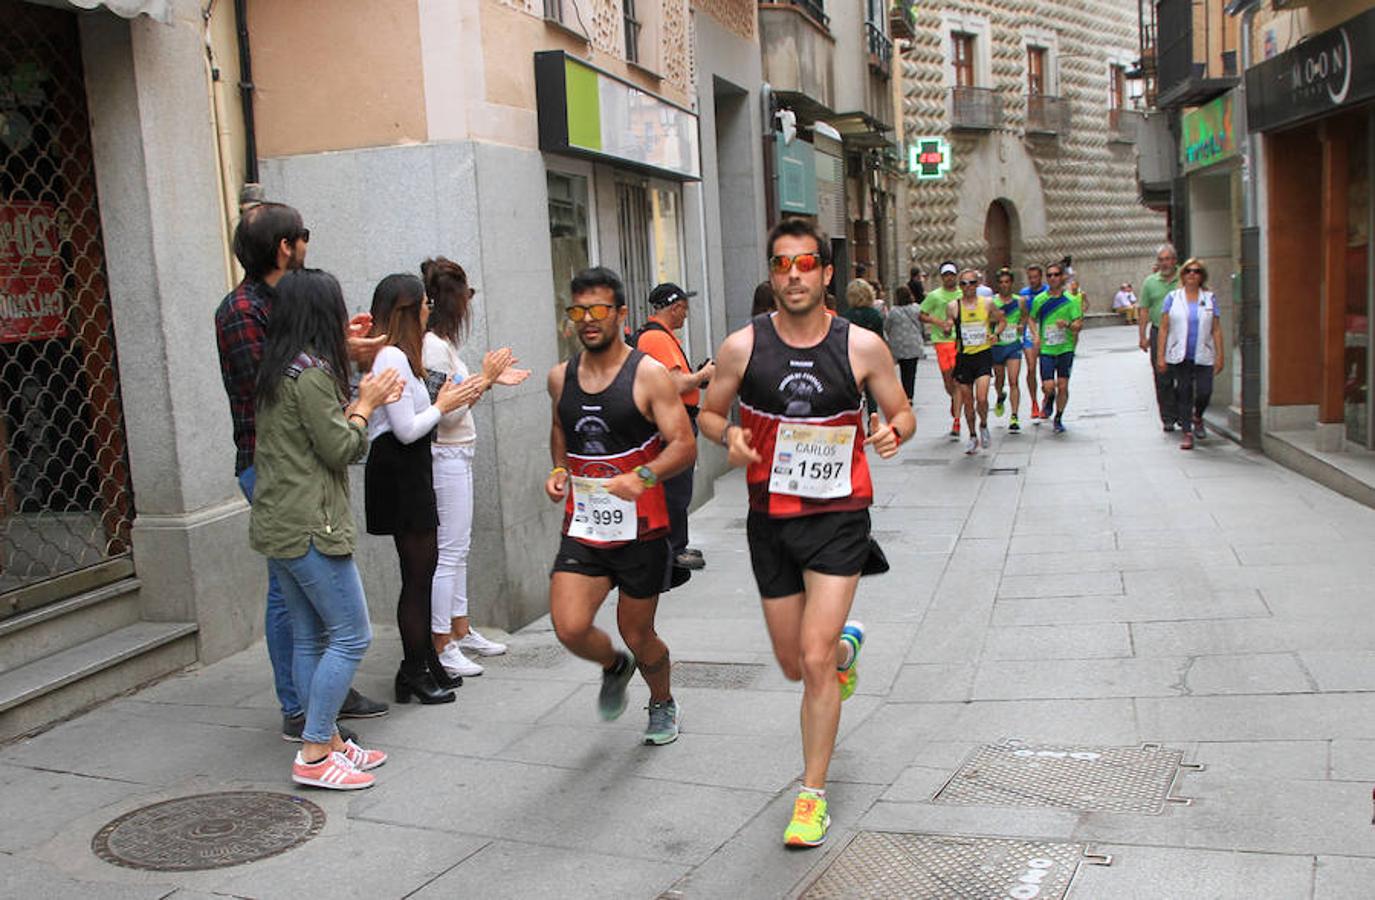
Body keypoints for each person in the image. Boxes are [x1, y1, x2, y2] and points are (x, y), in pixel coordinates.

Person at [699, 219, 915, 848]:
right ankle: (845, 650)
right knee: (796, 662)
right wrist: (728, 435)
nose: (793, 275)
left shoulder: (862, 346)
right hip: (770, 519)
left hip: (838, 518)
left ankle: (811, 796)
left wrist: (892, 432)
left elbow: (902, 411)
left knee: (812, 661)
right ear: (772, 274)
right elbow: (708, 413)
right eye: (781, 264)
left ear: (826, 272)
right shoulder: (742, 347)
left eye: (805, 263)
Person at [214, 202, 390, 742]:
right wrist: (358, 396)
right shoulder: (242, 311)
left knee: (312, 621)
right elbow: (283, 398)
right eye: (302, 236)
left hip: (298, 473)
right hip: (278, 473)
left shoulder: (287, 308)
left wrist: (334, 343)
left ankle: (321, 708)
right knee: (325, 620)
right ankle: (305, 717)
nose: (307, 245)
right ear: (284, 247)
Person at [250, 268, 401, 790]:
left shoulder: (278, 368)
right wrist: (366, 405)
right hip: (312, 525)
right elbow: (341, 448)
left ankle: (329, 740)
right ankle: (315, 751)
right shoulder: (311, 375)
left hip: (281, 521)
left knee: (310, 637)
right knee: (353, 635)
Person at [545, 266, 696, 746]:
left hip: (642, 529)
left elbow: (684, 444)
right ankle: (614, 666)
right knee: (569, 626)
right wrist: (559, 469)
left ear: (621, 313)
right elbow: (560, 429)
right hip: (586, 526)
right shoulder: (560, 377)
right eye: (578, 312)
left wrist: (643, 476)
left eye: (598, 310)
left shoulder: (648, 375)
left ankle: (662, 700)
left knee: (637, 632)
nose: (588, 320)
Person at [365, 274, 478, 705]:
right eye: (424, 303)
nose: (430, 310)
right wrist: (442, 405)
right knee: (416, 576)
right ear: (408, 310)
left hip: (410, 468)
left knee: (423, 571)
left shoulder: (402, 356)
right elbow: (407, 429)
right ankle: (414, 670)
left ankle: (424, 663)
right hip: (398, 469)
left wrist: (442, 400)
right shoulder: (391, 356)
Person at [421, 258, 528, 679]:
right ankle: (442, 643)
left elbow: (456, 407)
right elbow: (444, 413)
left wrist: (486, 381)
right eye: (467, 296)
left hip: (456, 453)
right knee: (449, 551)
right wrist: (484, 379)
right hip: (445, 455)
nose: (470, 305)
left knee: (458, 548)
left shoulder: (443, 345)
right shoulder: (433, 347)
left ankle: (460, 630)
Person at [634, 282, 715, 572]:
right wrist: (703, 374)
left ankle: (676, 545)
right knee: (675, 490)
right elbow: (674, 383)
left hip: (675, 421)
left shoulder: (660, 336)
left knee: (677, 488)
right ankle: (673, 549)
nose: (686, 315)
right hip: (671, 425)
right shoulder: (656, 338)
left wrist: (696, 378)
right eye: (684, 308)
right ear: (676, 307)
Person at [1156, 259, 1224, 451]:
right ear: (1183, 275)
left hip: (1203, 354)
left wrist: (1220, 355)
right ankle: (1187, 432)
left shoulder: (1209, 298)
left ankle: (1198, 416)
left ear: (1202, 276)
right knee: (1184, 391)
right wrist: (1160, 356)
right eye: (1188, 271)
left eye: (1197, 271)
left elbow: (1216, 329)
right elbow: (1164, 328)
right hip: (1181, 354)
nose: (1192, 274)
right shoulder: (1173, 298)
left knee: (1204, 391)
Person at [946, 268, 1005, 454]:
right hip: (964, 358)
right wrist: (947, 327)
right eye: (964, 283)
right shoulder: (953, 306)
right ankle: (972, 436)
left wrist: (995, 334)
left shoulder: (987, 303)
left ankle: (984, 425)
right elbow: (949, 324)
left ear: (977, 284)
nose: (968, 287)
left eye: (972, 283)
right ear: (960, 286)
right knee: (968, 403)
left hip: (983, 356)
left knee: (982, 398)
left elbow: (1002, 320)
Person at [1030, 262, 1083, 434]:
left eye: (1056, 275)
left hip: (1065, 348)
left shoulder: (1071, 300)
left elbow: (1078, 325)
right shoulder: (1039, 300)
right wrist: (1036, 335)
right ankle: (1049, 397)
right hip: (1047, 349)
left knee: (1063, 385)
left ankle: (1058, 417)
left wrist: (1067, 324)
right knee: (1048, 386)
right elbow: (1031, 318)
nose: (1053, 278)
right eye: (1049, 275)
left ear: (1062, 277)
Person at [1138, 244, 1181, 431]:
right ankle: (1168, 417)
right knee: (1162, 375)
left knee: (1183, 374)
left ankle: (1183, 412)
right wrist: (1142, 336)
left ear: (1175, 260)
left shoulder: (1184, 277)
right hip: (1158, 332)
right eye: (1161, 260)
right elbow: (1144, 309)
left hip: (1181, 332)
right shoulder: (1150, 282)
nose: (1164, 263)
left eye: (1168, 259)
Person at [919, 261, 963, 437]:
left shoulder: (962, 293)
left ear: (956, 276)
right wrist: (938, 322)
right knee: (948, 381)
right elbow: (922, 314)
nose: (949, 278)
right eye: (946, 275)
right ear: (942, 277)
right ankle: (954, 398)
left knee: (958, 380)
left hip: (959, 341)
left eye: (952, 274)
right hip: (941, 342)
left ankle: (957, 420)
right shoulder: (934, 296)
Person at [990, 268, 1027, 433]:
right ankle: (1000, 395)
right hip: (997, 346)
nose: (1004, 285)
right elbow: (988, 321)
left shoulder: (1020, 301)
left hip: (1013, 344)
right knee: (999, 379)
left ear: (1011, 283)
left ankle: (1014, 416)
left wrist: (1021, 326)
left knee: (1013, 380)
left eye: (1007, 282)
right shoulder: (992, 302)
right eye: (1001, 282)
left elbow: (1025, 317)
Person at [884, 285, 925, 401]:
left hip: (899, 345)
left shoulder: (893, 311)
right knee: (911, 371)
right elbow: (921, 324)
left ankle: (905, 394)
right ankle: (909, 395)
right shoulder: (916, 308)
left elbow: (887, 327)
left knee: (903, 371)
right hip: (913, 344)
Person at [1019, 264, 1047, 420]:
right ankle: (1034, 402)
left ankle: (1046, 394)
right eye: (1030, 278)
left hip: (1045, 330)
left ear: (1041, 277)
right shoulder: (1024, 294)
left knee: (1045, 366)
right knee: (1031, 367)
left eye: (1035, 277)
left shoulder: (1047, 291)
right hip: (1029, 332)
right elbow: (1023, 315)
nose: (1033, 280)